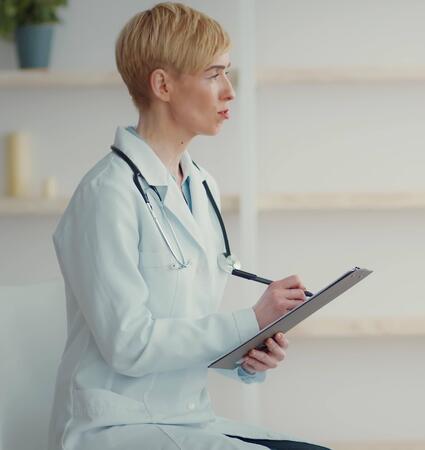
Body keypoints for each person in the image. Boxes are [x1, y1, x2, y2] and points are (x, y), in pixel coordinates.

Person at [48, 3, 328, 449]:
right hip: (117, 426)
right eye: (213, 74)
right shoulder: (106, 194)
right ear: (162, 84)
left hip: (187, 416)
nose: (230, 92)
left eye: (227, 73)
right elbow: (130, 344)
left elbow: (183, 326)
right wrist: (249, 319)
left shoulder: (200, 186)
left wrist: (245, 354)